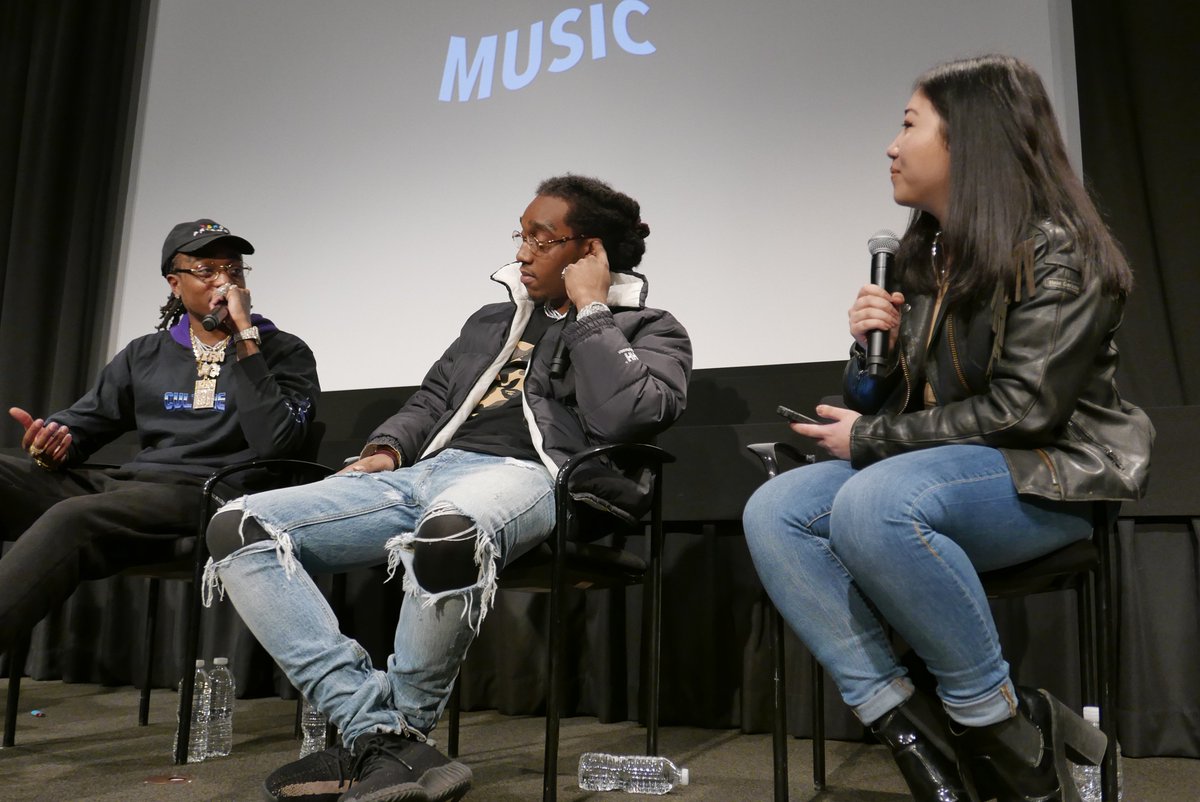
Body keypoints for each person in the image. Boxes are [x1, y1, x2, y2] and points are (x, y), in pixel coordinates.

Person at [203, 175, 692, 802]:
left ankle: (385, 742)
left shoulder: (650, 327)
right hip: (424, 471)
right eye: (521, 236)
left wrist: (593, 312)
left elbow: (630, 417)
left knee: (449, 534)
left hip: (531, 476)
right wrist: (385, 450)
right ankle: (380, 733)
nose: (522, 252)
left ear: (589, 250)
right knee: (240, 526)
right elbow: (433, 399)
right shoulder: (490, 321)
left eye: (541, 239)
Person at [743, 55, 1153, 802]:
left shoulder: (1057, 248)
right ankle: (912, 730)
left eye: (909, 125)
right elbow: (893, 401)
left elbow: (1025, 410)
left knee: (875, 501)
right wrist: (869, 358)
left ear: (970, 137)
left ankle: (1000, 731)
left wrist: (869, 440)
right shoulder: (925, 252)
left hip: (1053, 475)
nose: (891, 145)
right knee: (777, 509)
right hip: (944, 468)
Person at [0, 219, 319, 654]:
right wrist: (53, 442)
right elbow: (85, 425)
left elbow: (278, 443)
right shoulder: (144, 353)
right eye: (207, 270)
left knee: (74, 517)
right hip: (130, 489)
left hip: (211, 494)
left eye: (234, 269)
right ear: (174, 283)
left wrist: (246, 338)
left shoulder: (282, 350)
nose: (224, 281)